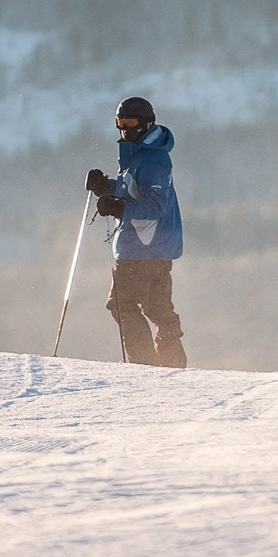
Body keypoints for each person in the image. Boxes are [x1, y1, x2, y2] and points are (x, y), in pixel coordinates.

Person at [85, 96, 187, 368]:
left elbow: (154, 206)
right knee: (158, 309)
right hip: (158, 245)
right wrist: (105, 187)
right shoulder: (142, 154)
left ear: (146, 124)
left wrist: (117, 208)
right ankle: (172, 365)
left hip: (142, 246)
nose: (125, 129)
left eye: (131, 123)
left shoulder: (152, 160)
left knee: (121, 305)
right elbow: (131, 189)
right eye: (120, 123)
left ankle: (145, 367)